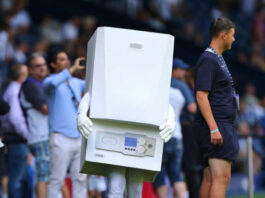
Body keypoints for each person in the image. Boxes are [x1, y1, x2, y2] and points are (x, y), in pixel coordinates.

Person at [77, 92, 176, 198]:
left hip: (140, 134)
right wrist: (81, 113)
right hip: (116, 131)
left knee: (135, 190)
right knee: (116, 187)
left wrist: (171, 120)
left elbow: (161, 98)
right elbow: (94, 90)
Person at [192, 17, 239, 198]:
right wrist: (214, 128)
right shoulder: (208, 59)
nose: (234, 40)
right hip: (217, 124)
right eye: (232, 35)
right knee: (222, 178)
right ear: (223, 35)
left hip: (219, 123)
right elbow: (201, 95)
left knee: (211, 178)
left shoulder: (216, 58)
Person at [43, 50, 87, 198]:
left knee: (81, 180)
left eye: (67, 59)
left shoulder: (75, 82)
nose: (67, 62)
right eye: (62, 60)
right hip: (60, 138)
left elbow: (92, 86)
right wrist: (72, 70)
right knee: (56, 180)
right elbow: (52, 83)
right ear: (53, 64)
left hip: (78, 138)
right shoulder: (49, 82)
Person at [19, 52, 49, 198]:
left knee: (50, 176)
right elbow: (46, 109)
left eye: (43, 65)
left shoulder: (42, 83)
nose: (42, 68)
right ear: (30, 69)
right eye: (38, 66)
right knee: (43, 177)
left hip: (43, 136)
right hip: (39, 137)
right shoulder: (30, 85)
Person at [153, 87, 187, 198]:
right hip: (177, 137)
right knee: (176, 175)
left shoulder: (158, 91)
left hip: (163, 136)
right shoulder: (179, 93)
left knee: (160, 173)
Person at [1, 64, 29, 198]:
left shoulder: (13, 89)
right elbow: (15, 118)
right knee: (16, 179)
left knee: (17, 177)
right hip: (17, 139)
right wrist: (27, 135)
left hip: (14, 139)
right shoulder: (15, 91)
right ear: (22, 76)